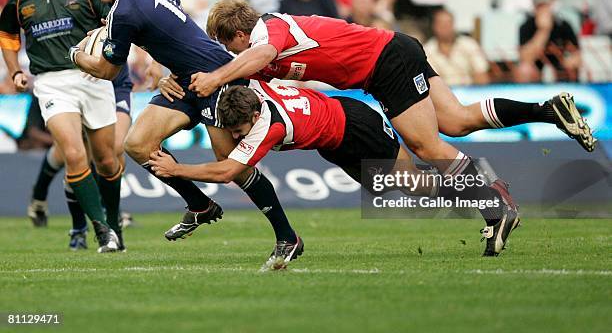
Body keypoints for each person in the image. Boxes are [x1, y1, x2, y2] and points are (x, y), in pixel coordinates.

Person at [195, 0, 598, 254]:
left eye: (227, 44)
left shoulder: (268, 32)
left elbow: (256, 55)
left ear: (240, 34)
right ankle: (548, 111)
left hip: (386, 63)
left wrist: (214, 79)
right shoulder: (257, 52)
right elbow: (241, 72)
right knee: (457, 121)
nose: (227, 53)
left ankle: (496, 209)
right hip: (393, 52)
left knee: (427, 147)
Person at [71, 0, 302, 267]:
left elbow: (108, 70)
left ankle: (287, 236)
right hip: (183, 80)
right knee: (137, 144)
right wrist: (161, 66)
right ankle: (199, 204)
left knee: (232, 165)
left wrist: (75, 55)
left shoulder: (122, 11)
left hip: (216, 77)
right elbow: (167, 25)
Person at [150, 81, 519, 260]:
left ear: (253, 116)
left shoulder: (269, 125)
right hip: (335, 138)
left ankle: (491, 197)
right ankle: (484, 193)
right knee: (391, 186)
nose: (234, 135)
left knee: (413, 185)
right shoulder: (253, 90)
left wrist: (176, 168)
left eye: (238, 130)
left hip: (357, 129)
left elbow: (228, 171)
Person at [0, 0, 122, 253]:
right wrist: (15, 72)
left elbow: (113, 22)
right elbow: (8, 36)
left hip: (93, 77)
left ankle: (113, 222)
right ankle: (100, 231)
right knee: (72, 152)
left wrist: (111, 55)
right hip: (52, 82)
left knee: (107, 160)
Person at [517, 0, 581, 83]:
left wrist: (570, 61)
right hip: (536, 66)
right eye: (540, 6)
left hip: (560, 64)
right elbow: (525, 57)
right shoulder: (526, 26)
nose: (543, 9)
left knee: (571, 67)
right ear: (535, 7)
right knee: (525, 70)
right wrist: (543, 31)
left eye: (546, 5)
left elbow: (577, 53)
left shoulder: (563, 24)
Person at [423, 9, 490, 86]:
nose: (445, 27)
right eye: (441, 24)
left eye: (448, 24)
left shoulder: (469, 44)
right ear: (434, 26)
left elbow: (481, 74)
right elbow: (430, 81)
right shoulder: (427, 50)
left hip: (469, 92)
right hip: (440, 94)